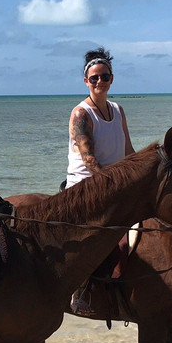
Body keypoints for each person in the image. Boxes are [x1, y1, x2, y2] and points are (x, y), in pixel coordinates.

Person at [65, 47, 135, 315]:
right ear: (86, 81)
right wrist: (116, 184)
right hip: (87, 187)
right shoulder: (81, 114)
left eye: (104, 77)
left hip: (114, 185)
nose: (99, 82)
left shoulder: (118, 110)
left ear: (111, 79)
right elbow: (89, 161)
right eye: (93, 78)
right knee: (104, 238)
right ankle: (81, 288)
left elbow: (128, 150)